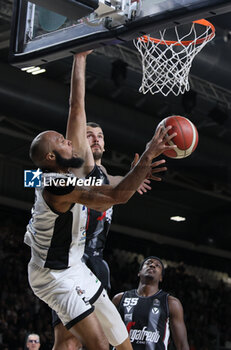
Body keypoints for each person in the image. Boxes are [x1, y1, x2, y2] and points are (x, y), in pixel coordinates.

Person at [24, 50, 177, 350]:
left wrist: (80, 57)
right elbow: (117, 196)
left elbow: (75, 106)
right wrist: (147, 154)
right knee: (90, 344)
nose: (72, 139)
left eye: (97, 135)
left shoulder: (88, 170)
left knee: (121, 342)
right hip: (53, 274)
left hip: (79, 264)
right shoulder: (59, 184)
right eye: (63, 140)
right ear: (53, 156)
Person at [52, 121, 163, 350]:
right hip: (72, 260)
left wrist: (139, 171)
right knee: (68, 340)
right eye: (89, 135)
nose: (96, 139)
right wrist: (143, 161)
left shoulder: (106, 177)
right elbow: (119, 192)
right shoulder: (71, 170)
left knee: (98, 340)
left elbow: (120, 190)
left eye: (100, 135)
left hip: (97, 263)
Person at [112, 256, 190, 350]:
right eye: (148, 263)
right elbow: (105, 333)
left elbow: (182, 345)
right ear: (139, 272)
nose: (152, 265)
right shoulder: (120, 298)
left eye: (157, 265)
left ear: (161, 277)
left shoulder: (171, 303)